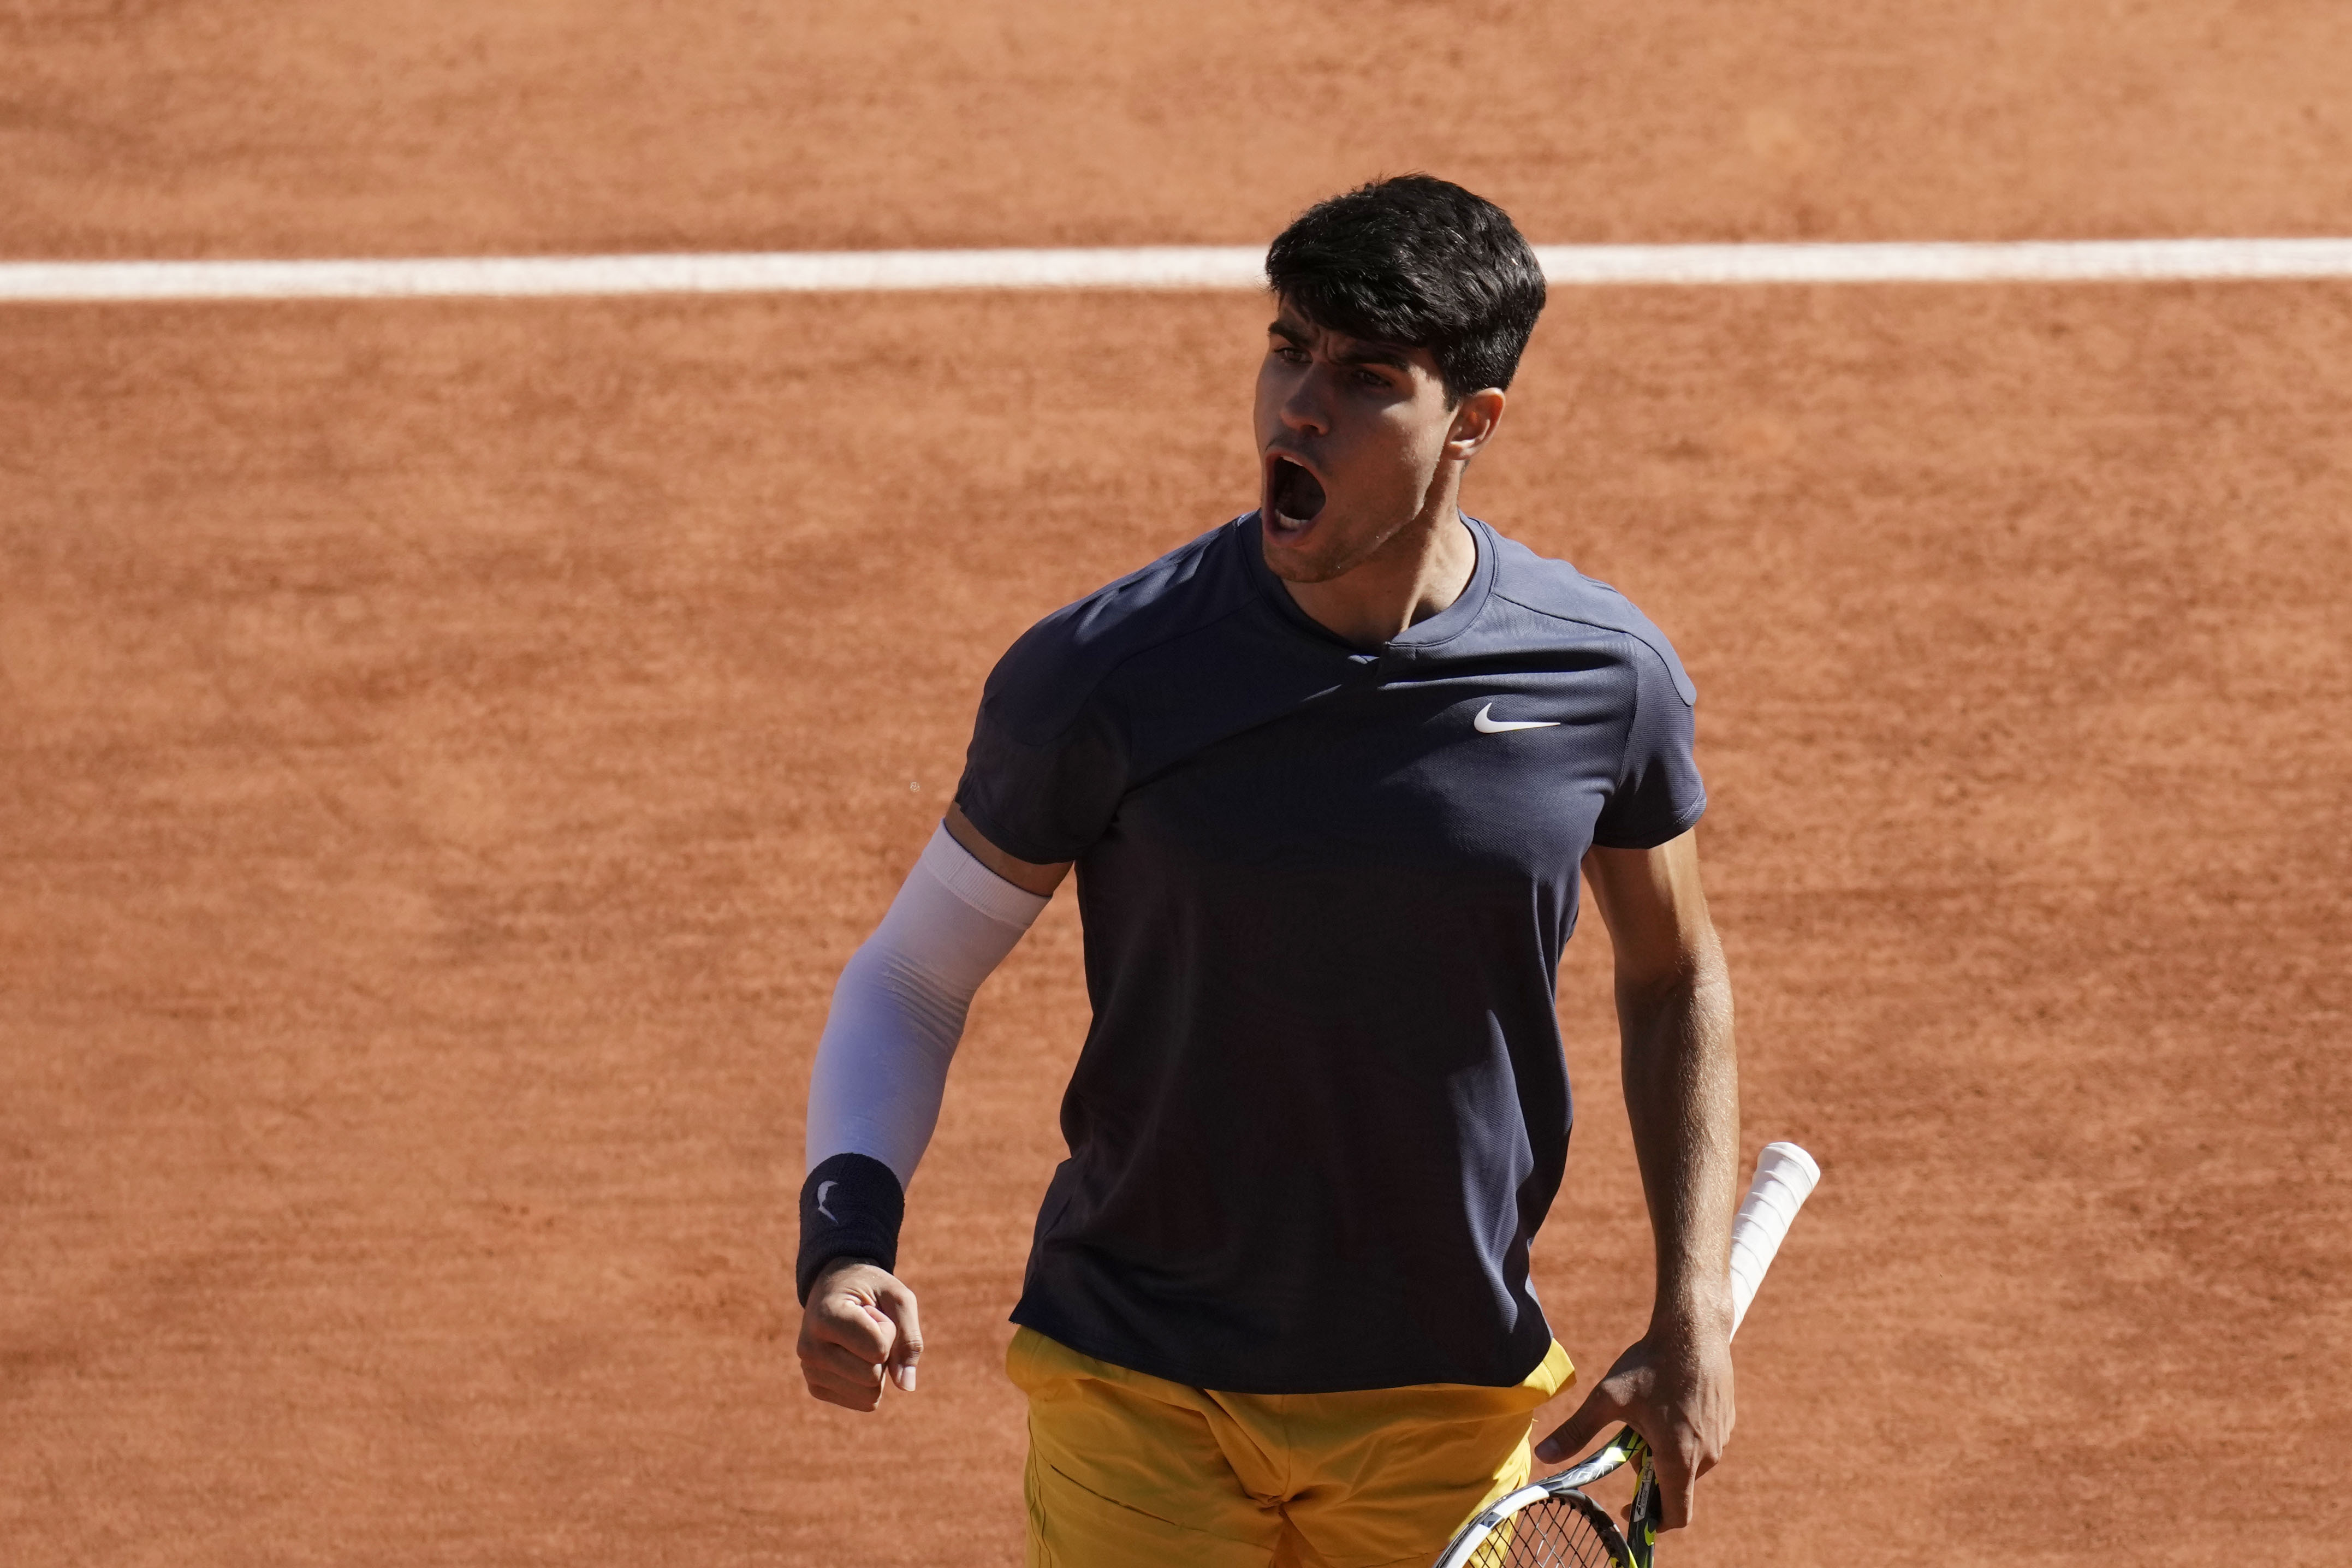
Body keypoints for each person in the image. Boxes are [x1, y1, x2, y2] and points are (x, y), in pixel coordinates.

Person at [795, 175, 1741, 1568]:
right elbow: (918, 969)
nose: (1300, 402)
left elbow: (1674, 971)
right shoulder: (1107, 672)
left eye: (1364, 376)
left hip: (1444, 1381)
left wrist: (1690, 1304)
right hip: (1137, 1373)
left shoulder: (1601, 677)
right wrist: (845, 1237)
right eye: (1288, 345)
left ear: (1472, 422)